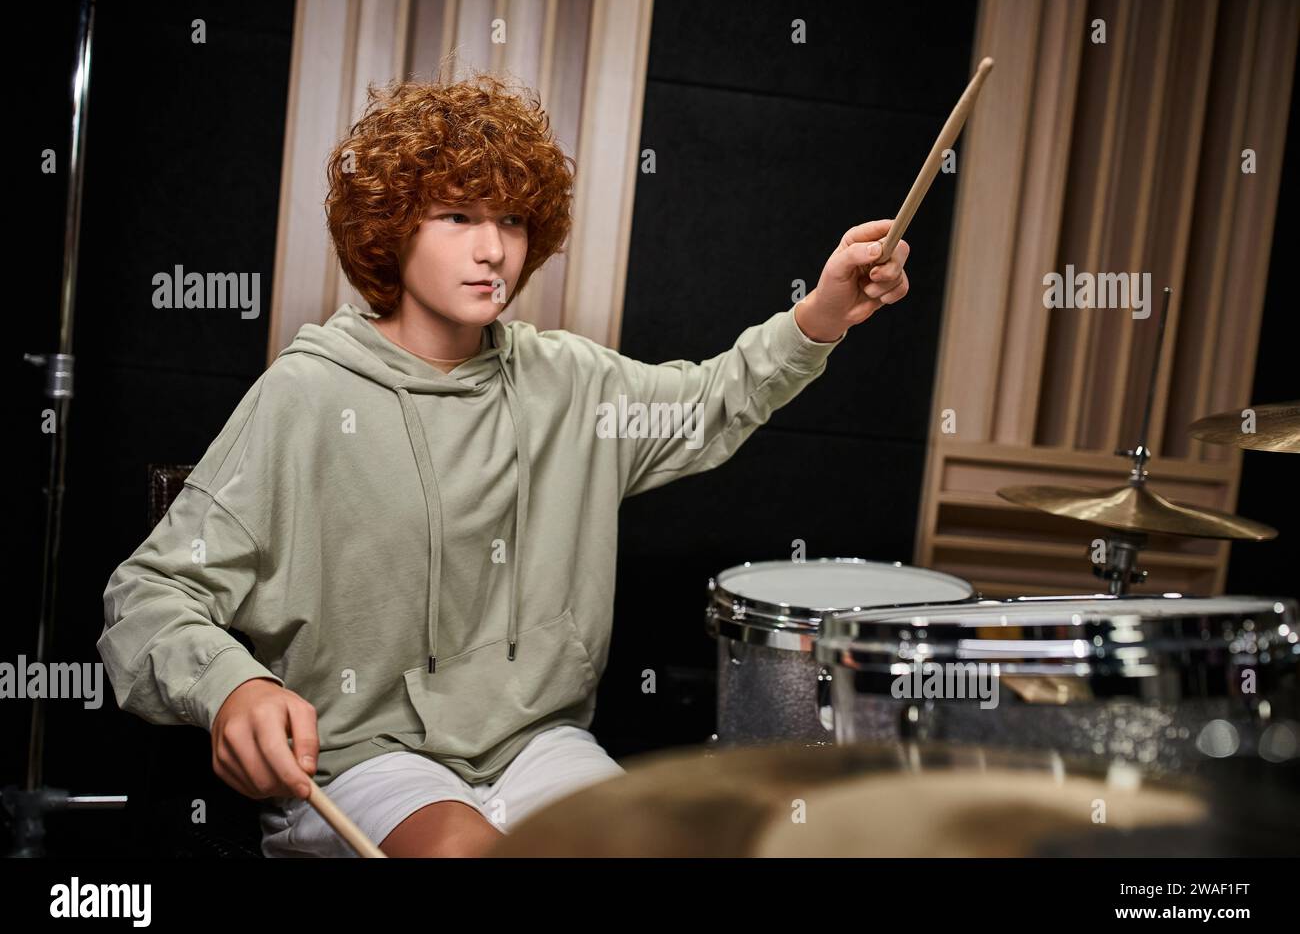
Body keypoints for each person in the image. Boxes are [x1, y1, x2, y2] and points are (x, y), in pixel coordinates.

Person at [97, 71, 911, 858]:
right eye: (455, 215)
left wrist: (821, 313)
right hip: (364, 755)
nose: (493, 249)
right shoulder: (306, 396)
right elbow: (147, 597)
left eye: (514, 221)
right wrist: (234, 688)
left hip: (538, 743)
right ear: (390, 227)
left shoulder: (571, 380)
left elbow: (712, 403)